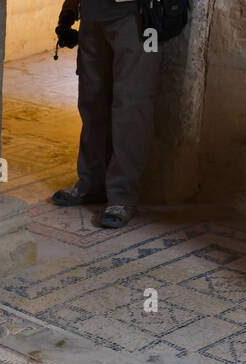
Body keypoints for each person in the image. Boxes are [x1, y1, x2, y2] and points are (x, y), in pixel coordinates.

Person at [51, 0, 162, 229]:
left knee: (131, 106)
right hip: (92, 15)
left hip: (135, 16)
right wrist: (69, 11)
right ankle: (91, 184)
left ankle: (122, 196)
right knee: (92, 103)